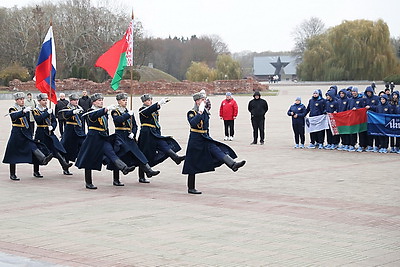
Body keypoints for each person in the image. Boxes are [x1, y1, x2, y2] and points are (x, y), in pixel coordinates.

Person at [182, 92, 246, 194]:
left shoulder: (206, 112)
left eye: (204, 99)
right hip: (195, 140)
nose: (204, 101)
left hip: (205, 137)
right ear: (197, 101)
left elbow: (206, 126)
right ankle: (191, 187)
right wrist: (200, 112)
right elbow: (193, 123)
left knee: (217, 150)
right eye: (202, 100)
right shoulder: (192, 112)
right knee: (192, 163)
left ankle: (233, 164)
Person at [75, 93, 136, 189]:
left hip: (103, 137)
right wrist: (105, 109)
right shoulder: (90, 111)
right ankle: (88, 182)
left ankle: (124, 168)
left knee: (112, 153)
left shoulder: (103, 112)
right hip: (93, 138)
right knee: (89, 160)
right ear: (94, 102)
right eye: (99, 100)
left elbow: (105, 126)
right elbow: (93, 116)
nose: (101, 102)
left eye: (102, 100)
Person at [108, 93, 160, 186]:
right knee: (119, 155)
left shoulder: (128, 111)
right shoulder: (115, 111)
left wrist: (133, 133)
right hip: (120, 135)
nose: (125, 102)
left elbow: (135, 125)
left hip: (129, 136)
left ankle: (148, 171)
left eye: (126, 100)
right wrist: (128, 115)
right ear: (119, 101)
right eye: (123, 100)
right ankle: (116, 179)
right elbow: (118, 120)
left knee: (138, 153)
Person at [3, 92, 53, 181]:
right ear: (16, 100)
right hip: (17, 133)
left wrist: (30, 132)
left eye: (23, 99)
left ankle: (43, 159)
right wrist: (22, 112)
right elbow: (14, 116)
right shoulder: (12, 109)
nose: (22, 101)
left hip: (25, 133)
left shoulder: (26, 109)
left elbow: (29, 122)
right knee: (13, 153)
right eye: (20, 99)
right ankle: (12, 173)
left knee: (32, 146)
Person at [137, 94, 185, 183]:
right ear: (144, 102)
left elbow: (155, 116)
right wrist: (158, 104)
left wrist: (158, 105)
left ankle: (176, 158)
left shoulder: (154, 110)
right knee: (144, 153)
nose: (149, 101)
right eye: (147, 100)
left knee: (164, 145)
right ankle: (142, 176)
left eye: (150, 99)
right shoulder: (142, 109)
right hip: (146, 134)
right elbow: (148, 111)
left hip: (154, 133)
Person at [33, 93, 73, 177]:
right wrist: (47, 113)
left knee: (56, 149)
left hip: (49, 132)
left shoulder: (48, 109)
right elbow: (38, 120)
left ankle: (64, 165)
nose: (45, 102)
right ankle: (36, 171)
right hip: (41, 132)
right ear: (39, 101)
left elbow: (54, 121)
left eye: (46, 100)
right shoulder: (36, 110)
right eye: (43, 100)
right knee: (40, 151)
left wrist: (52, 126)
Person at [58, 93, 86, 172]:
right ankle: (65, 167)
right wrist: (72, 112)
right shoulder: (66, 108)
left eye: (77, 100)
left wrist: (83, 130)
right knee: (66, 148)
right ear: (70, 101)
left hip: (79, 131)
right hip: (70, 131)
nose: (76, 102)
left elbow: (82, 121)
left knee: (83, 145)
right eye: (74, 100)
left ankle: (80, 161)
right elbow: (65, 115)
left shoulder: (80, 108)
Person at [348, 87, 368, 152]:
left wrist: (357, 109)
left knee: (361, 132)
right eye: (352, 91)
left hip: (360, 119)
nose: (353, 93)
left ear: (357, 92)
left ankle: (361, 145)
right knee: (352, 132)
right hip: (352, 119)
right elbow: (348, 108)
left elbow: (363, 108)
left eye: (354, 91)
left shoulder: (361, 99)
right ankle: (352, 144)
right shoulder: (350, 100)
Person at [363, 86, 380, 152]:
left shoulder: (376, 98)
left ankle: (377, 145)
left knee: (375, 132)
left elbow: (378, 107)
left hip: (374, 118)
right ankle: (369, 145)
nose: (368, 93)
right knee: (368, 132)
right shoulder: (364, 99)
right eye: (367, 92)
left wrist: (370, 107)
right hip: (366, 118)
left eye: (369, 92)